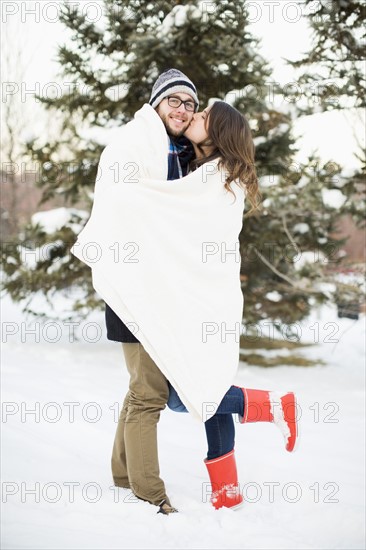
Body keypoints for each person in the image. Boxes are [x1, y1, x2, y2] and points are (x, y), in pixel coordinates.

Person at [167, 101, 299, 510]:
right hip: (199, 297)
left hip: (205, 300)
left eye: (205, 115)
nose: (196, 116)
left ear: (219, 132)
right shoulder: (207, 172)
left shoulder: (220, 178)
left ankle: (273, 404)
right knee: (208, 386)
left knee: (180, 395)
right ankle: (227, 492)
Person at [90, 68, 198, 514]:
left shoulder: (176, 152)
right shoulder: (135, 143)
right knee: (149, 394)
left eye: (190, 104)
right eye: (174, 100)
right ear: (155, 104)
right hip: (134, 286)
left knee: (141, 387)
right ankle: (150, 492)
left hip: (157, 288)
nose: (182, 109)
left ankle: (122, 472)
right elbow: (125, 203)